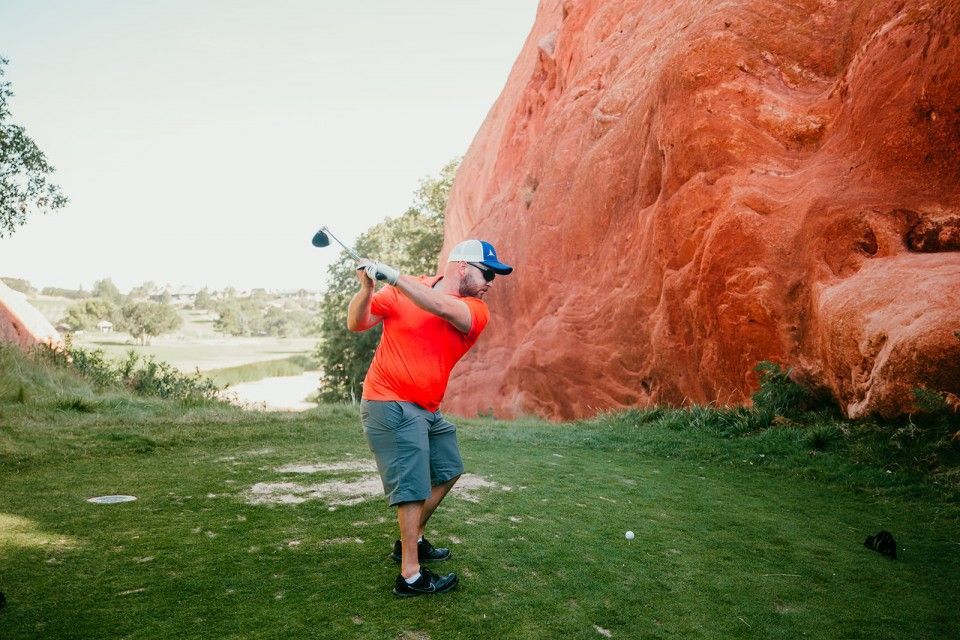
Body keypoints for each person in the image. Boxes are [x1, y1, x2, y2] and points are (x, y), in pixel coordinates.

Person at [347, 239, 513, 597]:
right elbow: (356, 322)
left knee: (449, 467)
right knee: (413, 486)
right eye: (488, 273)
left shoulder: (475, 310)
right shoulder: (403, 291)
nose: (490, 283)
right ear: (464, 267)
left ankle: (411, 538)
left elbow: (440, 307)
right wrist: (367, 288)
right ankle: (410, 575)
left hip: (427, 408)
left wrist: (395, 277)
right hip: (389, 400)